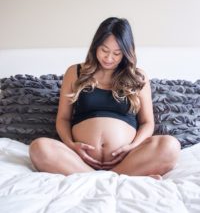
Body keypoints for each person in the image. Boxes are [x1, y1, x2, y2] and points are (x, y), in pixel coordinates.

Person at [29, 17, 180, 178]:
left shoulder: (138, 77)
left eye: (117, 53)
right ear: (95, 47)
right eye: (104, 50)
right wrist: (71, 145)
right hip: (79, 160)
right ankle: (120, 178)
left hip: (128, 158)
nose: (109, 58)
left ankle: (98, 178)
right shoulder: (75, 72)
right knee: (39, 147)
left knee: (170, 145)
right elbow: (63, 119)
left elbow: (147, 123)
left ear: (126, 52)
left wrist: (132, 146)